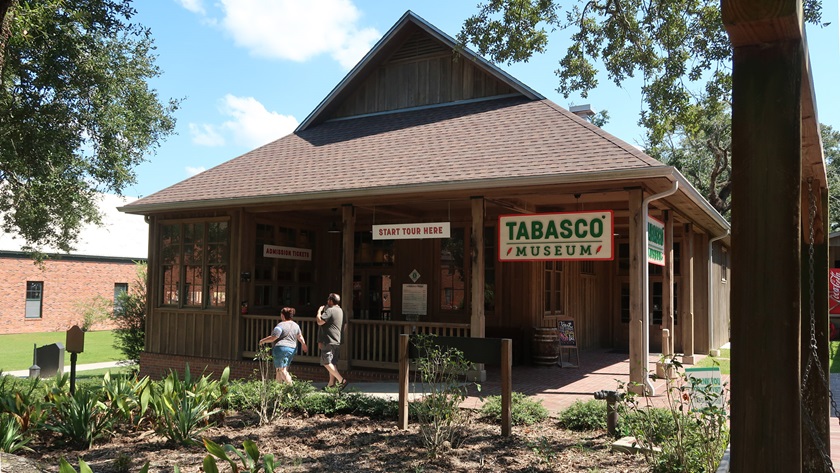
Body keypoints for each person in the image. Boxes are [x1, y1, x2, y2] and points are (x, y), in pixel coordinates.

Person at [259, 307, 307, 385]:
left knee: (282, 370)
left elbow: (274, 337)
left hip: (280, 348)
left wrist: (263, 341)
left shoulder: (280, 325)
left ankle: (292, 387)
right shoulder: (296, 325)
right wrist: (304, 344)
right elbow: (300, 337)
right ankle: (278, 388)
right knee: (279, 369)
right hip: (292, 349)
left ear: (282, 315)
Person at [316, 292, 346, 390]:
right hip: (337, 340)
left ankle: (341, 380)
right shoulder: (341, 311)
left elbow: (320, 322)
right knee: (332, 362)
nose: (327, 301)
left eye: (328, 299)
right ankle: (331, 384)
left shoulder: (330, 310)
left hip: (328, 340)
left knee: (326, 362)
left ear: (331, 301)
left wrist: (319, 311)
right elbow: (344, 325)